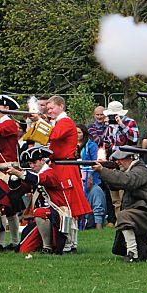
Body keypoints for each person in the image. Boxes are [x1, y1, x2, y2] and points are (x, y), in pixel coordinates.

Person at [94, 147, 147, 262]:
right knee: (119, 249)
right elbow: (115, 185)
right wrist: (106, 171)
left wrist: (103, 171)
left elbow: (126, 181)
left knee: (123, 215)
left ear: (131, 158)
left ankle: (132, 255)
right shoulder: (132, 170)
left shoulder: (139, 170)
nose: (118, 162)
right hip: (139, 215)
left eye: (121, 159)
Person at [45, 95, 91, 253]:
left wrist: (41, 122)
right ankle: (69, 242)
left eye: (52, 108)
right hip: (59, 165)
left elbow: (54, 135)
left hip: (65, 166)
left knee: (67, 204)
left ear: (61, 106)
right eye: (48, 109)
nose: (49, 111)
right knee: (62, 204)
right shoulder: (59, 122)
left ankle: (70, 242)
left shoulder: (65, 122)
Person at [79, 125, 106, 230]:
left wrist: (98, 229)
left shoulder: (91, 145)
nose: (77, 135)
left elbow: (98, 210)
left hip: (91, 173)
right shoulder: (72, 145)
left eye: (79, 132)